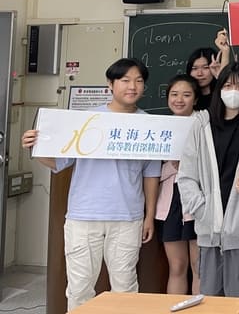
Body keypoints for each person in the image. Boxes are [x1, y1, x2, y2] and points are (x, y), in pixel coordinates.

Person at [21, 58, 161, 310]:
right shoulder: (86, 119)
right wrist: (35, 148)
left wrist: (149, 215)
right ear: (110, 84)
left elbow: (151, 174)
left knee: (126, 288)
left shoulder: (148, 125)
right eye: (125, 80)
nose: (132, 86)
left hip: (128, 217)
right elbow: (59, 163)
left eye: (139, 81)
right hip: (84, 216)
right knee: (80, 288)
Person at [178, 62, 239, 307]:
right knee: (210, 300)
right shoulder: (202, 124)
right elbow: (186, 176)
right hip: (208, 233)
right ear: (219, 89)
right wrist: (202, 210)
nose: (233, 91)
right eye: (228, 85)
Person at [156, 74, 202, 295]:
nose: (179, 100)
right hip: (170, 200)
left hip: (197, 199)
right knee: (177, 266)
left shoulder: (204, 124)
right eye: (174, 94)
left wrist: (188, 164)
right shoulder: (159, 128)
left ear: (195, 98)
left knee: (199, 267)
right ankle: (175, 309)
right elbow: (151, 169)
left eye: (186, 94)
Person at [186, 29, 231, 111]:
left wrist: (225, 52)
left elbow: (225, 81)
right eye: (194, 68)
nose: (199, 73)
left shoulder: (224, 94)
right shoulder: (186, 98)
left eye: (205, 67)